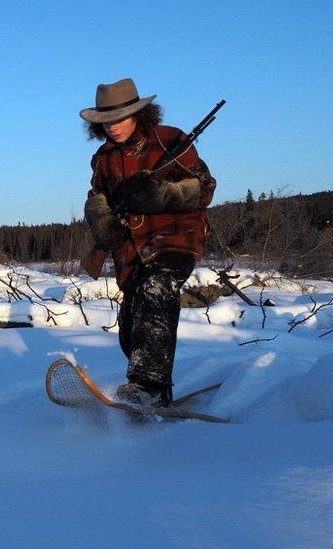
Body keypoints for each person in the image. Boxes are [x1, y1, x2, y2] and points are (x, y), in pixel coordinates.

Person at [79, 78, 216, 407]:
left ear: (139, 113)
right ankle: (155, 392)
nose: (113, 127)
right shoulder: (103, 159)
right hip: (132, 250)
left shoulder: (170, 140)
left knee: (156, 288)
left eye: (120, 118)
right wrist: (101, 217)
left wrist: (167, 194)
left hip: (176, 237)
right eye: (106, 121)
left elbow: (204, 187)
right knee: (131, 323)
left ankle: (148, 388)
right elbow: (98, 197)